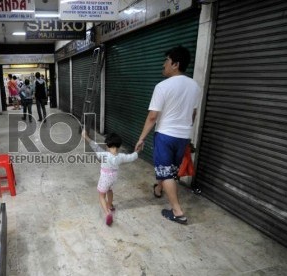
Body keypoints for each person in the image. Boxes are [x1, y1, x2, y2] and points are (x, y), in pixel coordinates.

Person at [135, 46, 201, 225]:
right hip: (183, 136)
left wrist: (141, 138)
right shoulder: (195, 86)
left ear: (175, 64)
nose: (163, 65)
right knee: (170, 170)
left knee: (166, 172)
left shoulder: (162, 86)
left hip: (165, 135)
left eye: (166, 61)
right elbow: (193, 115)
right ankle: (158, 188)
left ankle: (178, 212)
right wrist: (185, 130)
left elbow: (153, 116)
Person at [82, 130, 139, 226]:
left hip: (105, 178)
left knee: (101, 195)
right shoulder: (121, 156)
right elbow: (132, 157)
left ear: (107, 145)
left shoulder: (103, 155)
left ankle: (108, 212)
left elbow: (95, 146)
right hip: (113, 178)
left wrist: (85, 136)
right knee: (110, 190)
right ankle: (110, 205)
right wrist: (138, 150)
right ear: (119, 146)